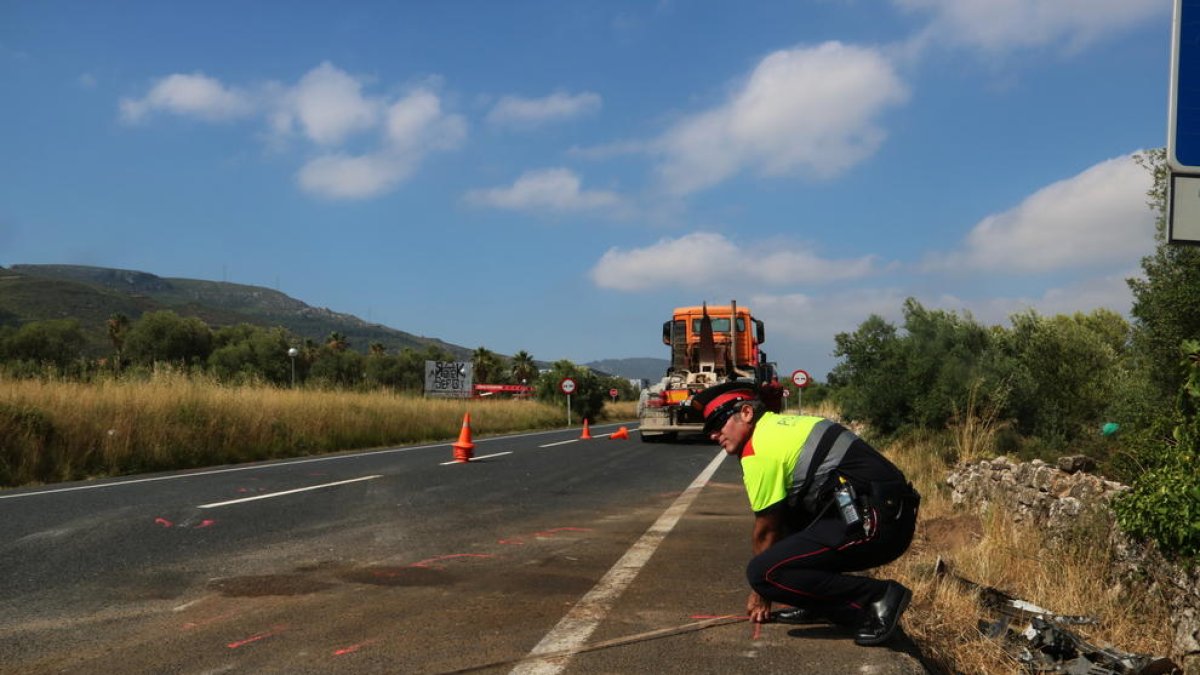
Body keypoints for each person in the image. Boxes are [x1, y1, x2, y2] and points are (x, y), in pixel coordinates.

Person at [690, 381, 920, 646]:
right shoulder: (778, 427)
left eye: (718, 424)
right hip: (886, 514)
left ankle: (878, 596)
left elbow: (766, 530)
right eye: (709, 430)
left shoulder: (759, 449)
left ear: (746, 413)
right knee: (788, 520)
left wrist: (761, 592)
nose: (713, 435)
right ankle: (816, 604)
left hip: (878, 524)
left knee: (763, 572)